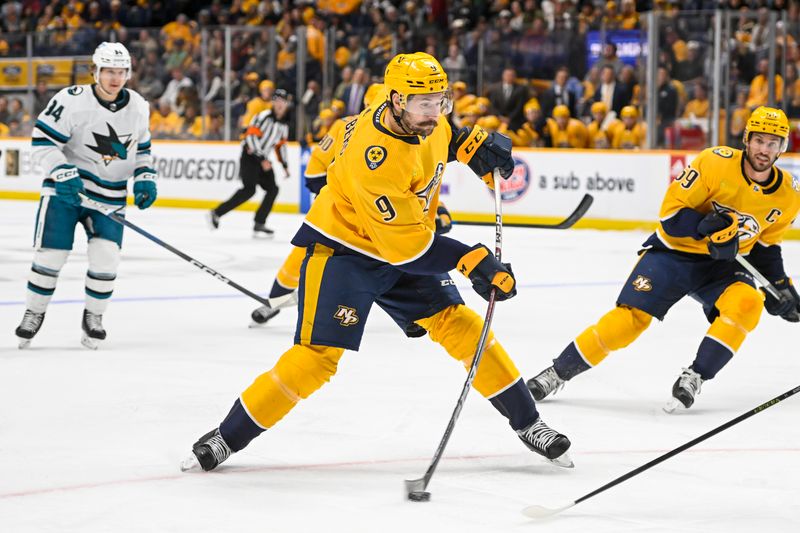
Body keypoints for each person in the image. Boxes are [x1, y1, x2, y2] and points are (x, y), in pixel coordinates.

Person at [182, 52, 573, 473]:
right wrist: (471, 260)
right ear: (396, 100)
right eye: (425, 103)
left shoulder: (425, 118)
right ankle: (228, 435)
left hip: (402, 242)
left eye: (441, 100)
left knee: (463, 328)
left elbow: (444, 140)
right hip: (345, 252)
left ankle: (529, 423)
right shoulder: (375, 158)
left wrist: (469, 145)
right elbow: (408, 251)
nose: (436, 111)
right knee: (316, 358)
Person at [527, 106, 800, 411]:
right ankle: (558, 371)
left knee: (748, 303)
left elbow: (765, 248)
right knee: (629, 320)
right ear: (747, 139)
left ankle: (696, 376)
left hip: (723, 267)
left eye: (773, 143)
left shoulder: (789, 194)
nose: (765, 149)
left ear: (782, 147)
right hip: (674, 253)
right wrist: (701, 227)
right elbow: (670, 217)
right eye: (760, 140)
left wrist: (780, 286)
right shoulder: (714, 162)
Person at [250, 83, 453, 327]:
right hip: (345, 221)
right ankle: (275, 300)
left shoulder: (412, 135)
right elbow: (314, 174)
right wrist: (348, 196)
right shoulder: (347, 126)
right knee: (308, 255)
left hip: (381, 220)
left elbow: (414, 183)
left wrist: (436, 208)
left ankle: (416, 312)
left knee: (402, 252)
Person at [14, 42, 157, 350]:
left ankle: (94, 316)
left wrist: (145, 176)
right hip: (66, 191)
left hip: (110, 196)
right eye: (108, 71)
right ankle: (34, 312)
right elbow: (42, 142)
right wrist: (62, 171)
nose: (115, 78)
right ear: (95, 71)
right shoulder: (71, 101)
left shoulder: (138, 106)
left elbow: (142, 149)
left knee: (107, 259)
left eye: (120, 72)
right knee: (51, 255)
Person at [208, 89, 291, 238]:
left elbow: (280, 147)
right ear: (272, 102)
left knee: (273, 189)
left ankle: (259, 222)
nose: (279, 104)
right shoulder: (263, 117)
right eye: (277, 100)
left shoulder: (283, 125)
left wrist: (284, 166)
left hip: (263, 160)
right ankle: (216, 213)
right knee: (249, 190)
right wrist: (262, 159)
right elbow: (250, 137)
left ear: (286, 104)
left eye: (282, 101)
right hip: (250, 157)